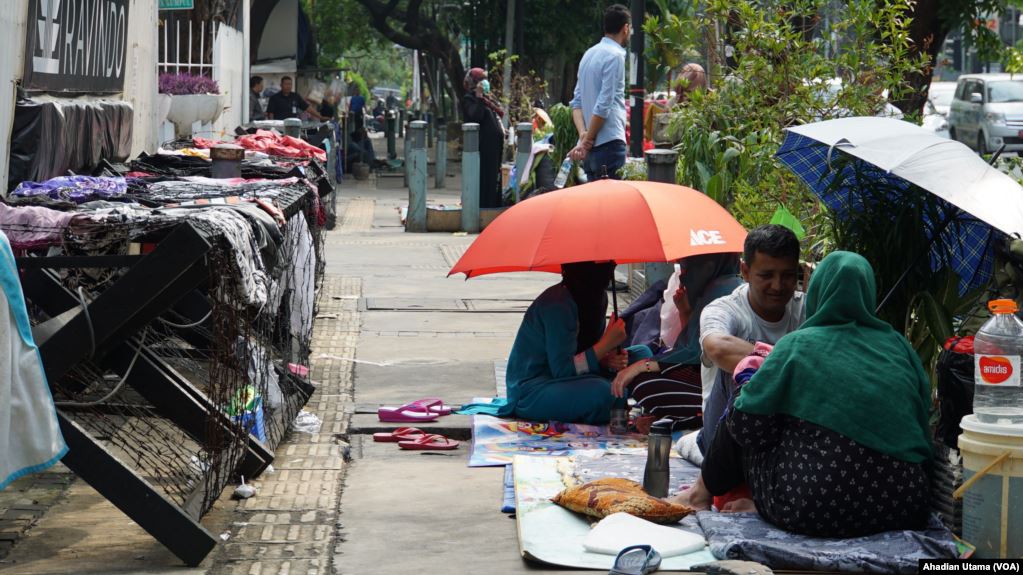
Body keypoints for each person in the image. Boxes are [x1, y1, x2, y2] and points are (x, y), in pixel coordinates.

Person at [670, 251, 933, 538]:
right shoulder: (899, 347)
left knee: (745, 397)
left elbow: (746, 429)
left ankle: (700, 495)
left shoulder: (798, 345)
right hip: (905, 506)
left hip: (812, 508)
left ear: (817, 291)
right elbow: (922, 423)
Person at [673, 225, 806, 462]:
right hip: (726, 436)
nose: (777, 285)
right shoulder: (723, 309)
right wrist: (793, 360)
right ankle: (700, 445)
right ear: (744, 271)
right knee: (742, 369)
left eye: (787, 276)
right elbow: (718, 348)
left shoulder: (806, 308)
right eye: (766, 276)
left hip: (785, 432)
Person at [461, 262, 630, 424]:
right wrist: (605, 345)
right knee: (604, 392)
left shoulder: (598, 298)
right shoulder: (558, 304)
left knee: (641, 355)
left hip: (575, 379)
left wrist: (607, 359)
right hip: (535, 390)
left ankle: (621, 401)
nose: (610, 270)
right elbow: (563, 370)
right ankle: (615, 401)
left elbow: (586, 353)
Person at [611, 253, 743, 433]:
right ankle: (674, 418)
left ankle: (689, 420)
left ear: (709, 267)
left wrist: (643, 366)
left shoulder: (722, 291)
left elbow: (696, 353)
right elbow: (690, 346)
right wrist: (685, 312)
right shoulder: (714, 287)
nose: (682, 275)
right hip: (706, 379)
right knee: (641, 359)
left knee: (644, 383)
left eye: (687, 269)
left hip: (726, 393)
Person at [568, 4, 630, 182]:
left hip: (590, 149)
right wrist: (588, 138)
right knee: (612, 207)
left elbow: (576, 103)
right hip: (609, 143)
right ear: (625, 28)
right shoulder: (615, 56)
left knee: (595, 207)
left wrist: (584, 135)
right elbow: (604, 105)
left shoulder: (588, 54)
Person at [460, 68, 505, 208]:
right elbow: (475, 116)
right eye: (480, 80)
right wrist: (479, 97)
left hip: (494, 148)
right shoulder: (469, 99)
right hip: (482, 148)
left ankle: (492, 205)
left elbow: (499, 113)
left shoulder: (487, 99)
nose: (484, 82)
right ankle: (483, 207)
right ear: (474, 82)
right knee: (483, 178)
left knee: (493, 179)